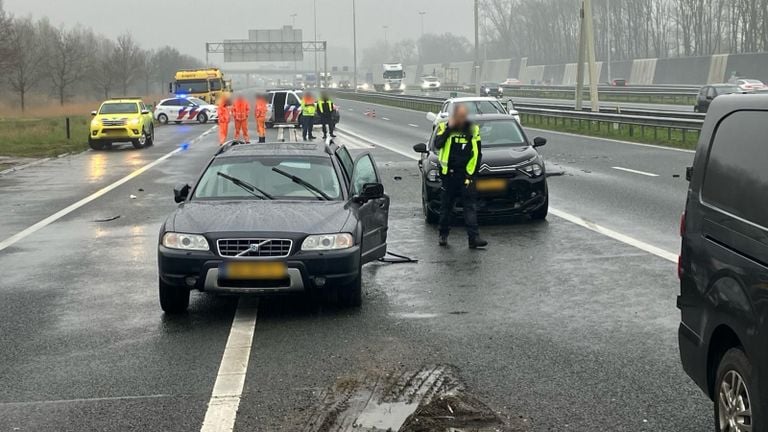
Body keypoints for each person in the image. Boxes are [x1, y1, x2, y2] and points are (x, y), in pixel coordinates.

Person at [434, 104, 488, 249]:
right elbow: (438, 144)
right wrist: (449, 129)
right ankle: (443, 234)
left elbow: (477, 154)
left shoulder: (472, 129)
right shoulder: (443, 127)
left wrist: (471, 174)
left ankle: (473, 238)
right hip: (448, 175)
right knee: (446, 207)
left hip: (465, 175)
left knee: (470, 206)